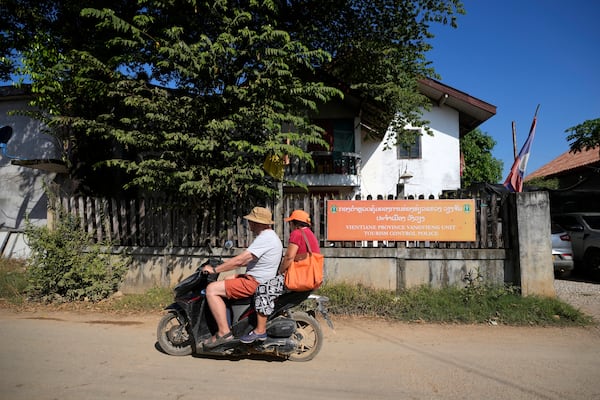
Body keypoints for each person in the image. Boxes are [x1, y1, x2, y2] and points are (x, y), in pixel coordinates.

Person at [201, 206, 282, 348]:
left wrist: (215, 269)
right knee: (227, 279)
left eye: (251, 221)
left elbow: (241, 260)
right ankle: (232, 321)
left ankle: (224, 332)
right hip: (257, 278)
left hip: (255, 282)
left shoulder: (265, 238)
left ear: (259, 223)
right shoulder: (270, 237)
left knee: (211, 289)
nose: (249, 224)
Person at [240, 209, 321, 343]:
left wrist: (280, 272)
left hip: (297, 277)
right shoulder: (310, 235)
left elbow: (289, 257)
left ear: (295, 223)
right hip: (309, 277)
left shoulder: (297, 234)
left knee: (263, 290)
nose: (289, 226)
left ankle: (260, 331)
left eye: (290, 223)